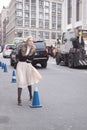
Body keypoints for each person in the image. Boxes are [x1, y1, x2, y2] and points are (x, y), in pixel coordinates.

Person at [16, 36, 42, 106]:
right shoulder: (22, 48)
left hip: (28, 66)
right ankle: (19, 99)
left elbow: (31, 58)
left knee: (29, 80)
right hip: (20, 65)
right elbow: (20, 57)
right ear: (27, 41)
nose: (31, 42)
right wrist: (27, 58)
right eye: (30, 41)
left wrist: (26, 58)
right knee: (21, 81)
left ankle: (30, 96)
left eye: (32, 41)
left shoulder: (33, 49)